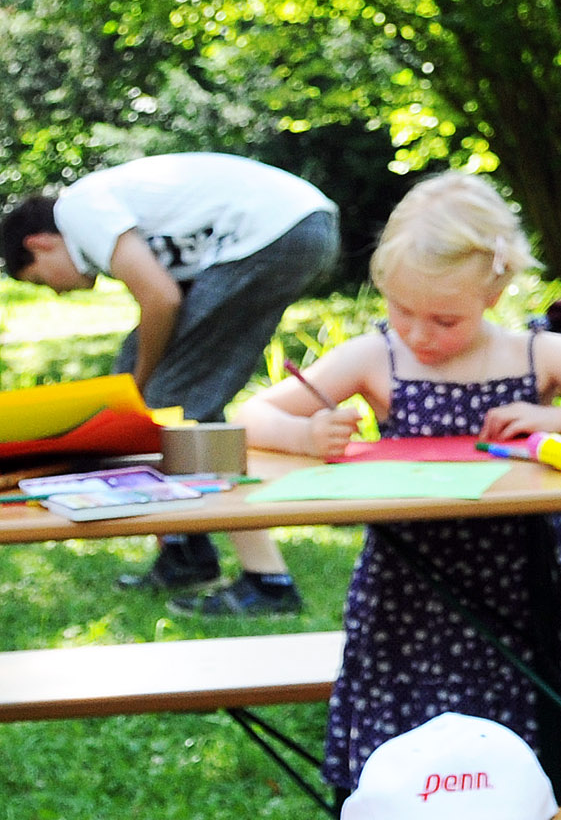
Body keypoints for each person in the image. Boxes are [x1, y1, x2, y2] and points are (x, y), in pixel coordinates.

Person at [236, 173, 561, 820]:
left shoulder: (535, 354)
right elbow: (256, 414)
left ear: (495, 287)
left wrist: (557, 414)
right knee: (417, 791)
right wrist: (307, 435)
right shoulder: (378, 358)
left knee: (528, 767)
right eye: (402, 311)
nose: (418, 334)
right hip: (409, 610)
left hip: (519, 604)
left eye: (442, 318)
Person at [1, 152, 341, 613]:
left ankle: (268, 584)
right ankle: (184, 552)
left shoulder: (77, 209)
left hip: (277, 231)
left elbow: (160, 300)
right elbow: (168, 297)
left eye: (42, 281)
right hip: (296, 226)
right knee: (170, 399)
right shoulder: (102, 216)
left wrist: (136, 389)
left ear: (39, 244)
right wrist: (135, 376)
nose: (57, 291)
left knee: (173, 408)